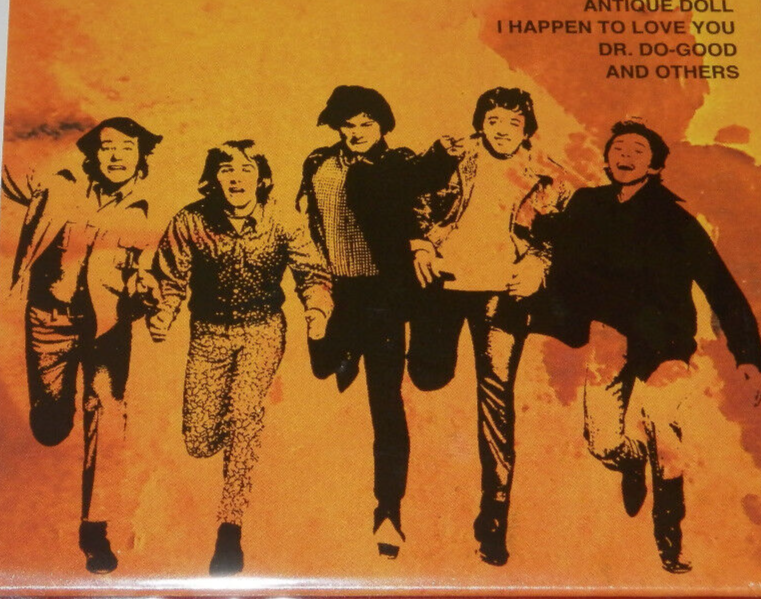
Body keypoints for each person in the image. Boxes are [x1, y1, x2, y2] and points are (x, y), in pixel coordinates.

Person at [535, 120, 761, 573]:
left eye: (638, 150)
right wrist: (543, 218)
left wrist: (748, 357)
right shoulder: (587, 205)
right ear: (607, 158)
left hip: (665, 342)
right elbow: (559, 250)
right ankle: (630, 457)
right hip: (609, 337)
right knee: (602, 443)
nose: (626, 156)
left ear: (656, 165)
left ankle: (669, 538)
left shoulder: (676, 221)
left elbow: (721, 288)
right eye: (618, 148)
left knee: (666, 435)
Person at [148, 140, 332, 576]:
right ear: (213, 179)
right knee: (199, 441)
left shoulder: (283, 221)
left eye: (246, 169)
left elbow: (313, 273)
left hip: (261, 330)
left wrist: (317, 310)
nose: (236, 178)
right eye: (226, 169)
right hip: (208, 332)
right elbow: (171, 276)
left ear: (261, 178)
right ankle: (220, 438)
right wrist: (164, 313)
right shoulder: (191, 220)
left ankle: (230, 526)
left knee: (244, 414)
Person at [406, 86, 571, 566]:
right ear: (480, 123)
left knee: (497, 400)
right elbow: (412, 200)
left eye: (513, 123)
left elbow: (568, 231)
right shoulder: (452, 156)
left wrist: (539, 261)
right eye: (493, 120)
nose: (501, 130)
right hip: (445, 284)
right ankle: (432, 357)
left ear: (527, 130)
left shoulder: (547, 174)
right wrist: (421, 244)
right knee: (429, 375)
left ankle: (495, 514)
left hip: (503, 294)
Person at [297, 85, 453, 559]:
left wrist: (442, 156)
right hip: (336, 290)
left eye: (367, 123)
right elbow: (310, 223)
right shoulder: (318, 163)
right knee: (322, 367)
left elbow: (424, 190)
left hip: (382, 296)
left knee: (385, 402)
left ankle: (388, 510)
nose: (357, 132)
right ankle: (343, 353)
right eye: (348, 124)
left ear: (383, 125)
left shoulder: (397, 163)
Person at [2, 116, 162, 574]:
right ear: (93, 154)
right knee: (51, 426)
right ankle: (52, 412)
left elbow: (159, 266)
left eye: (127, 147)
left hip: (109, 326)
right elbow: (6, 171)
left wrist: (147, 288)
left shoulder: (151, 207)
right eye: (107, 147)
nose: (117, 156)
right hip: (49, 320)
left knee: (107, 414)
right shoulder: (57, 187)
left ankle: (95, 528)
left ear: (141, 155)